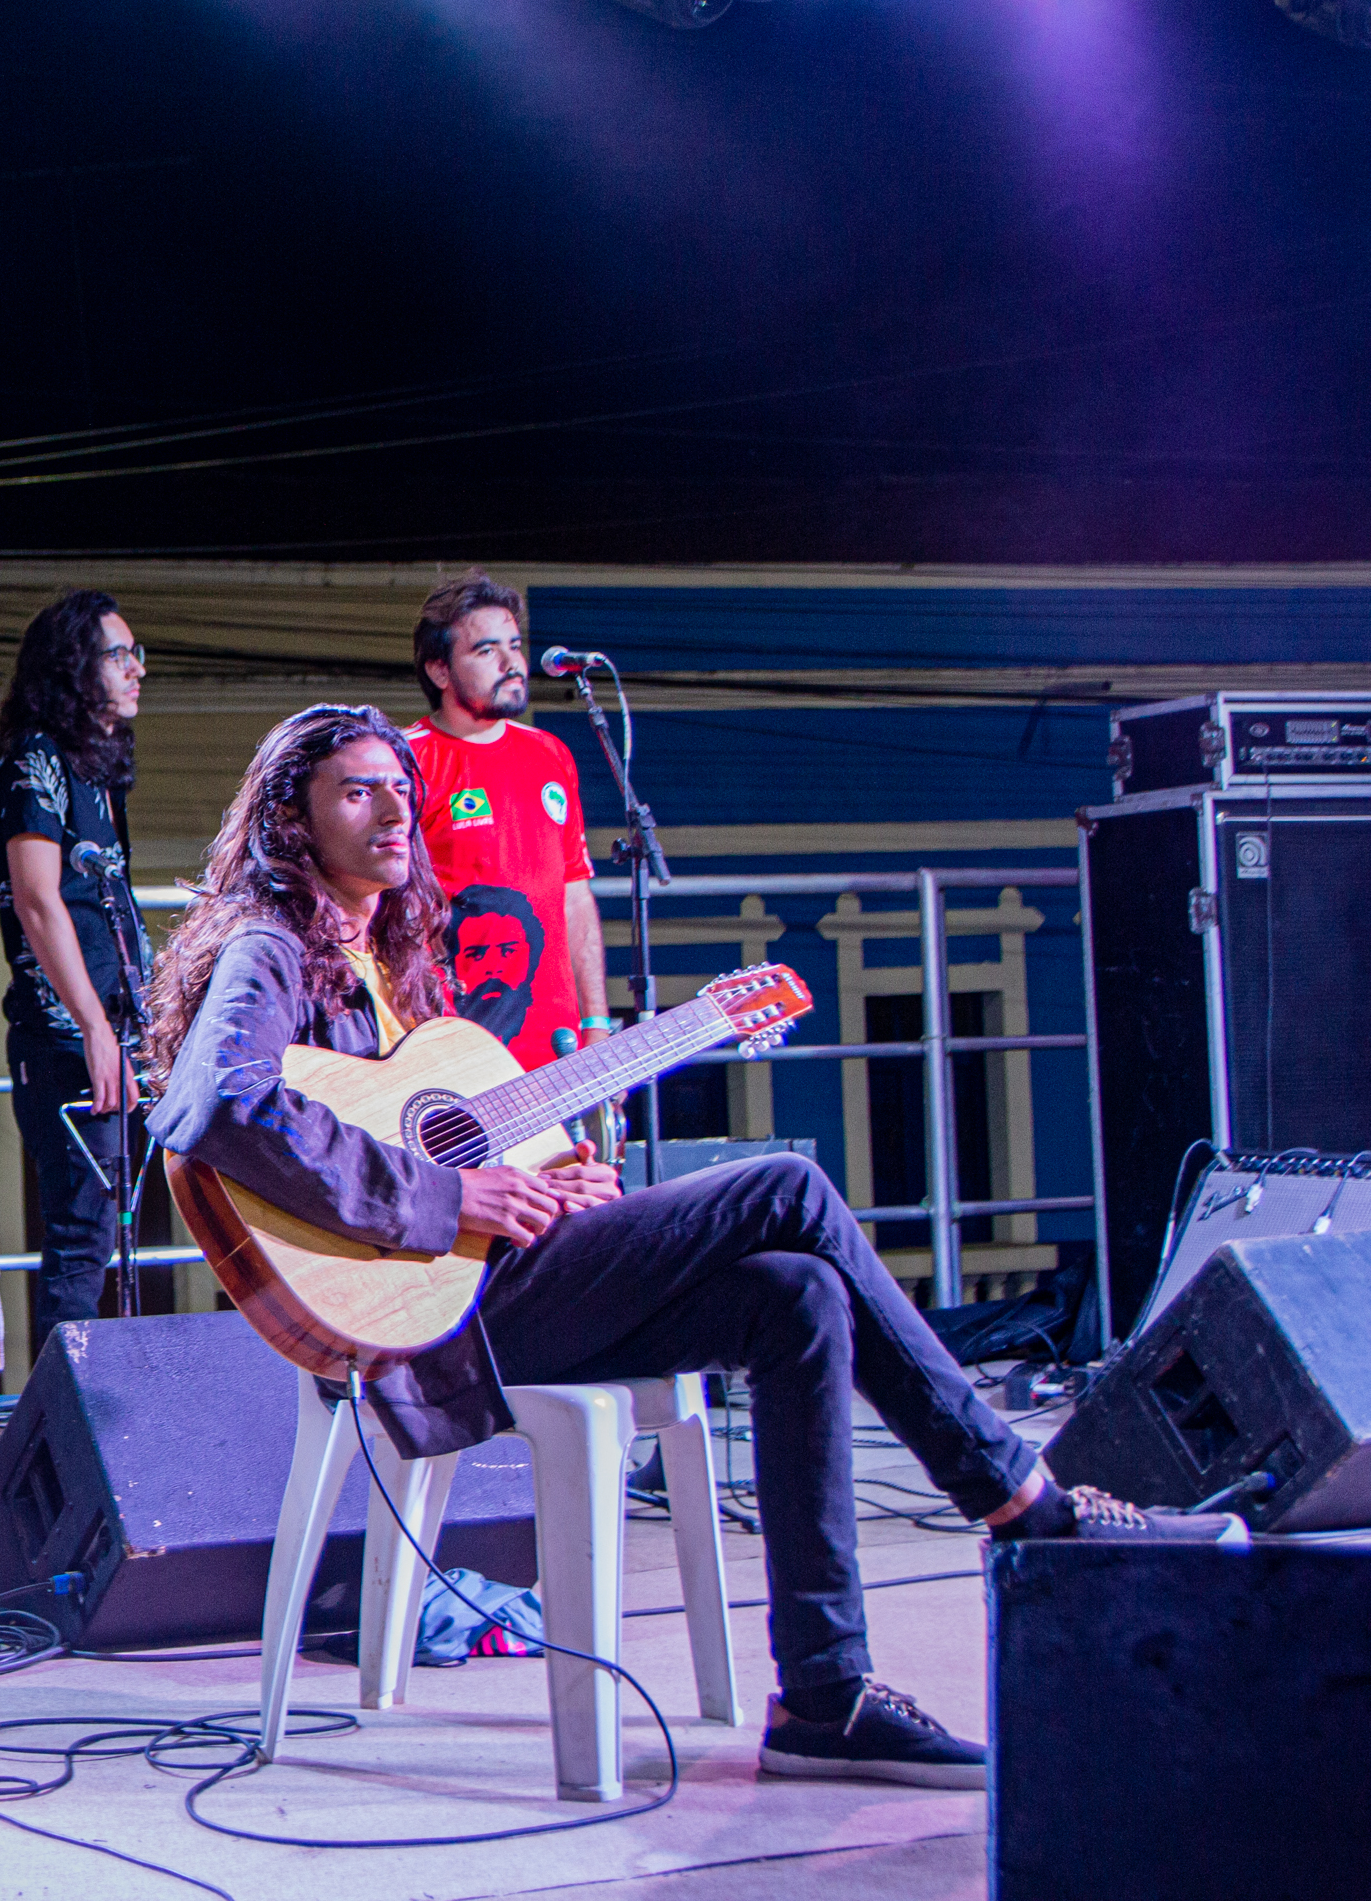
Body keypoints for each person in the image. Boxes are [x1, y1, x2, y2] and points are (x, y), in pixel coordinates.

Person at [145, 703, 1244, 1789]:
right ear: (291, 817)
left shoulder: (387, 955)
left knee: (797, 1293)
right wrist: (451, 1193)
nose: (394, 810)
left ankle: (824, 1697)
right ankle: (1023, 1502)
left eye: (401, 788)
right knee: (788, 1186)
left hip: (482, 1284)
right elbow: (220, 1105)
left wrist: (536, 1186)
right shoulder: (269, 945)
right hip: (429, 1329)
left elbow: (424, 1135)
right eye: (357, 791)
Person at [0, 590, 150, 1361]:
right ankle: (61, 1420)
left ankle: (104, 1404)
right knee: (81, 1235)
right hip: (66, 1032)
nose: (136, 669)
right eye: (119, 655)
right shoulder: (35, 761)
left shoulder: (98, 769)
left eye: (137, 654)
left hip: (117, 1025)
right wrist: (91, 1025)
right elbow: (38, 899)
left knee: (112, 1228)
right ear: (74, 667)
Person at [408, 575, 609, 1070]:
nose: (511, 663)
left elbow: (574, 895)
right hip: (452, 1047)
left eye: (514, 645)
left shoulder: (550, 754)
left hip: (559, 1048)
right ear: (439, 670)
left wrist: (597, 1023)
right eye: (486, 650)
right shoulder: (405, 762)